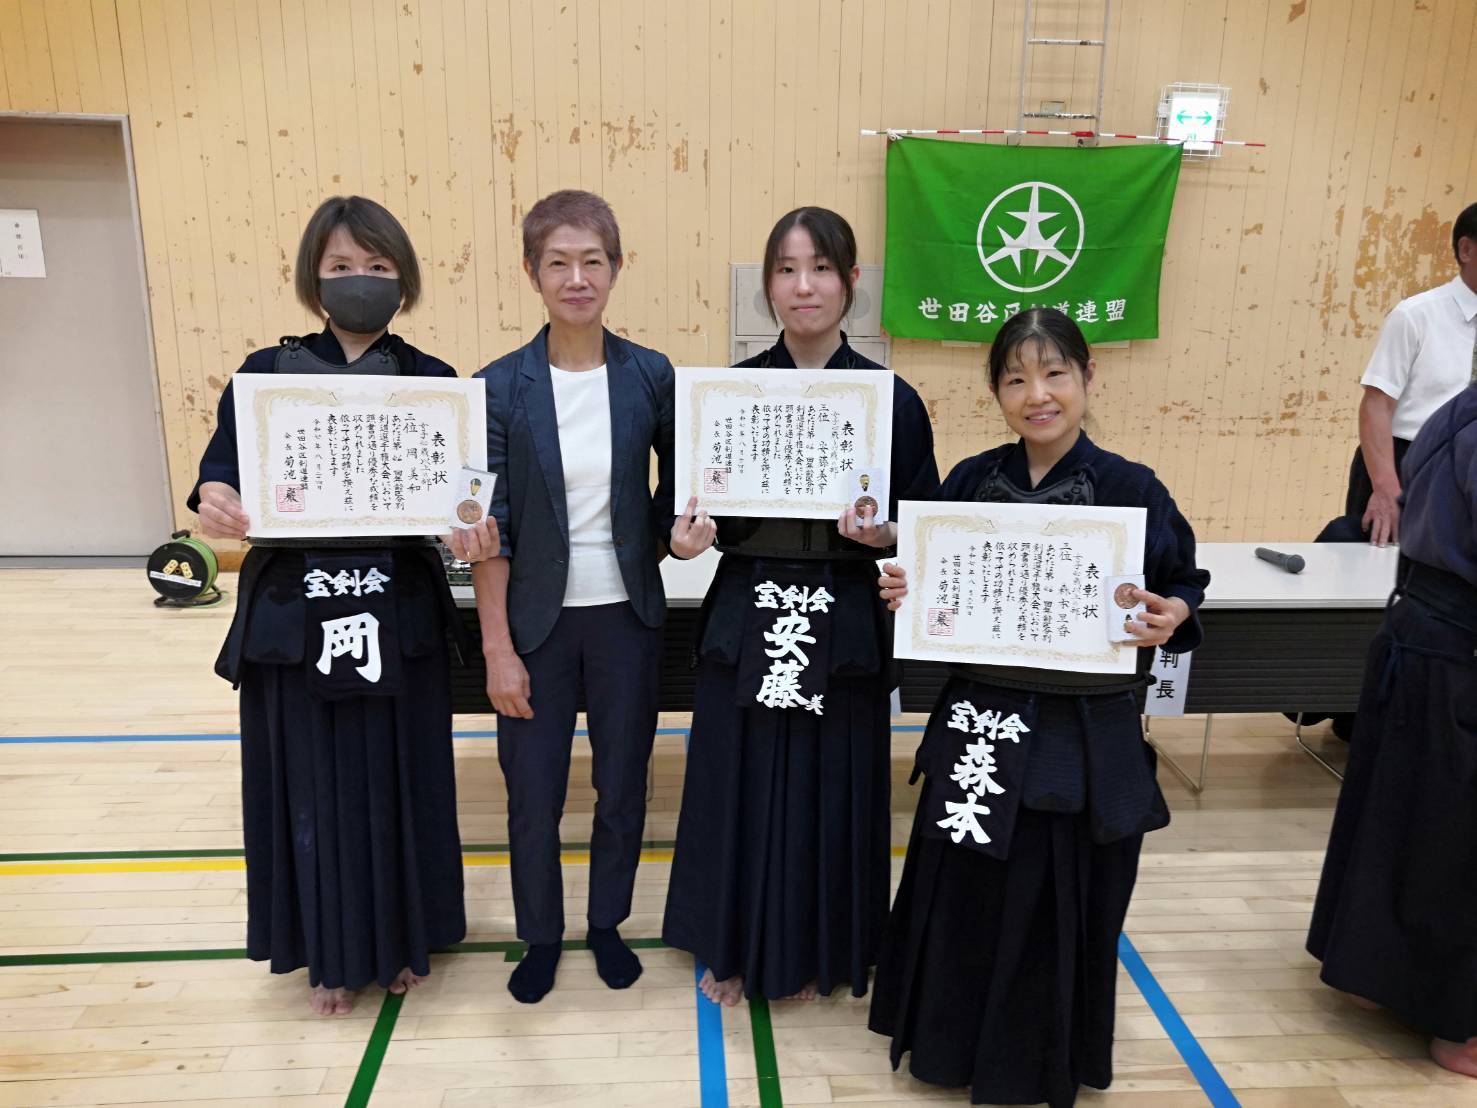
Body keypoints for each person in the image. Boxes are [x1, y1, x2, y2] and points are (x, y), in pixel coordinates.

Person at [867, 308, 1209, 1107]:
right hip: (981, 722)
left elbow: (1182, 586)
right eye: (1015, 378)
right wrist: (906, 586)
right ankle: (949, 1050)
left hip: (1080, 736)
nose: (1037, 394)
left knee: (1056, 902)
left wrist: (1173, 614)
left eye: (1054, 373)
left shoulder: (1133, 488)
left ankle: (1036, 1061)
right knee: (966, 893)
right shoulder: (967, 482)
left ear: (1088, 378)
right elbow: (931, 578)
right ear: (995, 391)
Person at [191, 196, 498, 1016]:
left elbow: (468, 496)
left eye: (377, 266)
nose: (359, 280)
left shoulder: (434, 382)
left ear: (404, 279)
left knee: (403, 777)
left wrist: (473, 525)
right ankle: (327, 949)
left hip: (397, 607)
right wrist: (215, 498)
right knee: (311, 784)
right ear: (312, 278)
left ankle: (402, 939)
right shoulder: (265, 374)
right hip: (295, 612)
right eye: (340, 267)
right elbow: (220, 473)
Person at [662, 206, 940, 1005]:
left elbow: (922, 527)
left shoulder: (892, 399)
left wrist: (885, 535)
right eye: (785, 270)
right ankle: (732, 943)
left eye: (820, 268)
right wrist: (683, 539)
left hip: (844, 615)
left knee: (832, 789)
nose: (803, 286)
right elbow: (681, 514)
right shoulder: (727, 393)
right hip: (748, 608)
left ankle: (826, 946)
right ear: (768, 286)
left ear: (850, 282)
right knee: (738, 783)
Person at [472, 190, 675, 1004]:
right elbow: (490, 529)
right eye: (558, 262)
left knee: (622, 785)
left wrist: (673, 538)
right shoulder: (498, 386)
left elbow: (679, 489)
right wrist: (497, 649)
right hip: (535, 625)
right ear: (532, 273)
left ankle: (605, 923)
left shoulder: (650, 374)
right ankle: (541, 935)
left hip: (627, 617)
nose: (576, 277)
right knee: (533, 795)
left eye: (592, 260)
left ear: (616, 268)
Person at [1307, 381, 1477, 1077]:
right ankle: (1461, 1030)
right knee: (1449, 836)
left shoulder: (1458, 409)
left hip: (1422, 638)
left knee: (1401, 819)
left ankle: (1372, 978)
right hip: (1455, 652)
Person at [1349, 201, 1477, 546]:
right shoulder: (1415, 315)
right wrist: (1386, 488)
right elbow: (1376, 404)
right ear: (1466, 250)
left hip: (1469, 473)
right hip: (1409, 465)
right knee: (1382, 570)